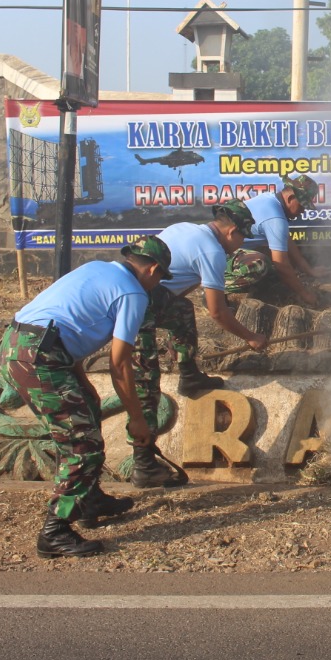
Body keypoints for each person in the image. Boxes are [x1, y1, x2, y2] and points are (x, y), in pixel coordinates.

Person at [0, 237, 171, 558]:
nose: (157, 285)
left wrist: (82, 380)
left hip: (16, 344)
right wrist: (137, 419)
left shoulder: (97, 269)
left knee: (86, 415)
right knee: (82, 443)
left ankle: (89, 499)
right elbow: (120, 363)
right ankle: (55, 531)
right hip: (39, 357)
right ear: (154, 269)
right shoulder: (133, 293)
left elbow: (67, 320)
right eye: (161, 278)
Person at [130, 201, 270, 487]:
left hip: (151, 295)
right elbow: (217, 312)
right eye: (243, 236)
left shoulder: (184, 228)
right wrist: (251, 337)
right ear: (231, 231)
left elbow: (176, 286)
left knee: (181, 310)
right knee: (146, 381)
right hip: (135, 304)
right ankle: (143, 463)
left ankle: (189, 375)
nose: (242, 243)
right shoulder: (212, 252)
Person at [232, 174, 331, 307]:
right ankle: (219, 289)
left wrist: (309, 270)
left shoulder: (270, 199)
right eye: (302, 206)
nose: (302, 212)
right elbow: (282, 265)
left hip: (229, 251)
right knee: (260, 264)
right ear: (291, 198)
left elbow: (285, 239)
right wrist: (305, 294)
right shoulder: (275, 219)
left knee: (272, 272)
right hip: (219, 257)